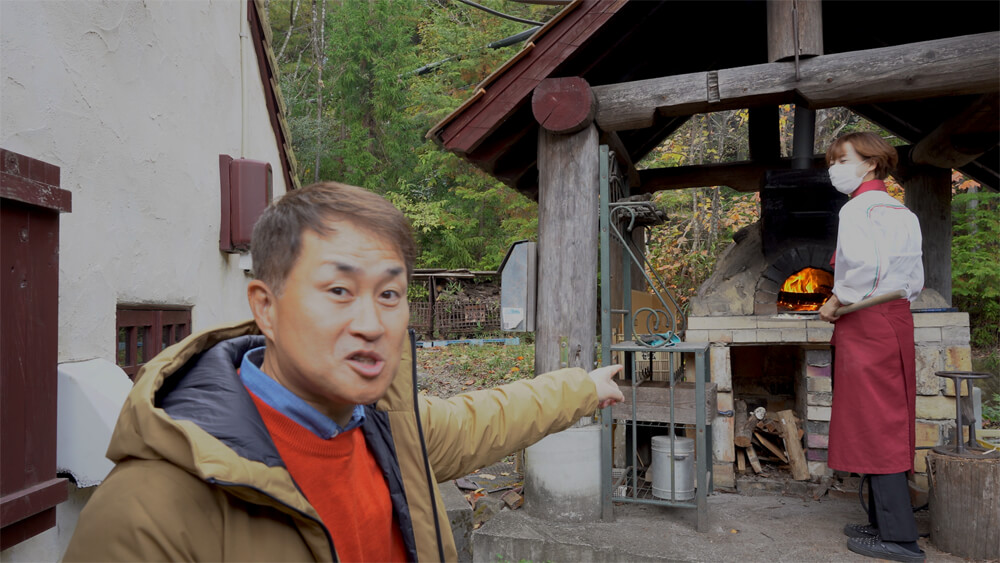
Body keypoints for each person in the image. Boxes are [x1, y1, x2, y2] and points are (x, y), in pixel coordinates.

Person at [63, 181, 625, 562]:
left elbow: (489, 417)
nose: (371, 323)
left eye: (389, 294)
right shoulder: (147, 511)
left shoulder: (392, 429)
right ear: (265, 306)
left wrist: (584, 386)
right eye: (338, 290)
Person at [818, 132, 925, 563]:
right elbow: (911, 276)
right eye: (833, 161)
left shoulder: (858, 208)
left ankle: (899, 539)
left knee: (879, 423)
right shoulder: (902, 211)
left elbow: (866, 269)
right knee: (882, 417)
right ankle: (882, 522)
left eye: (842, 160)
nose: (835, 169)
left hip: (869, 321)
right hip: (894, 317)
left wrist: (835, 300)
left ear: (871, 163)